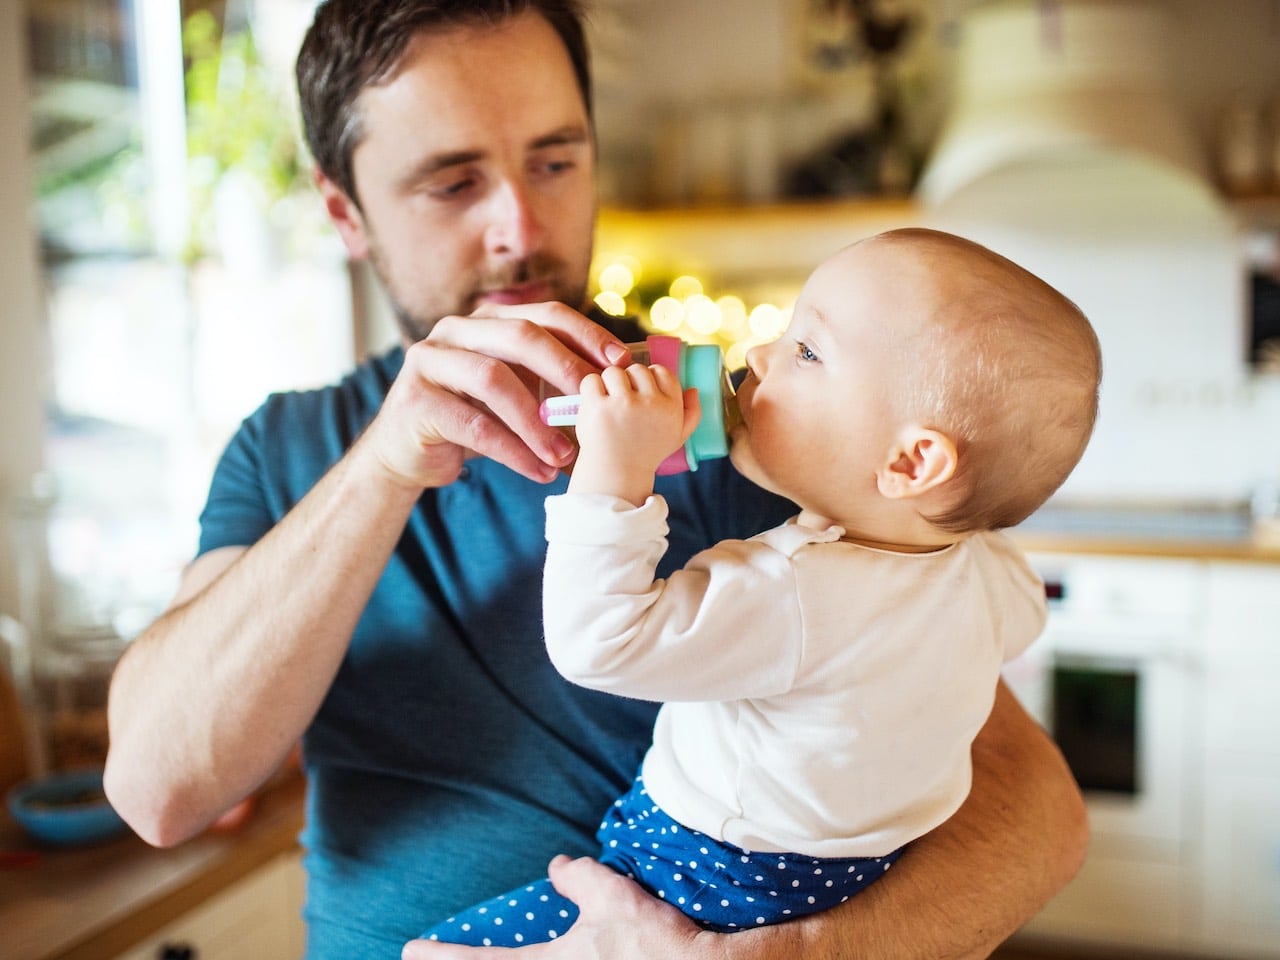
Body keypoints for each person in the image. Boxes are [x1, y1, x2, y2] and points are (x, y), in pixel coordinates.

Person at [102, 2, 1088, 958]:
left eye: (554, 160)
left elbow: (1031, 814)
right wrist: (382, 466)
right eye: (451, 183)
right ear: (342, 211)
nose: (519, 226)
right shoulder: (288, 447)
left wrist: (789, 958)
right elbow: (160, 790)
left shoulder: (744, 423)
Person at [422, 228, 1101, 948]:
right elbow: (1021, 621)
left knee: (429, 952)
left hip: (701, 880)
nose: (759, 355)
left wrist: (615, 473)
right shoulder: (987, 574)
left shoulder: (793, 593)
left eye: (808, 352)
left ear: (910, 462)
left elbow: (597, 645)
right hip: (855, 875)